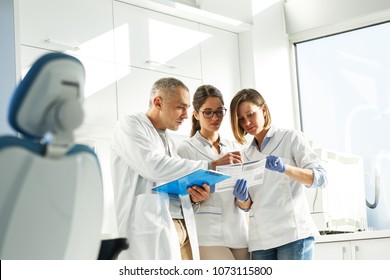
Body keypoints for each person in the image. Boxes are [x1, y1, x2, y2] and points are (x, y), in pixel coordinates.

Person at [110, 77, 241, 260]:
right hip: (150, 230)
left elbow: (174, 182)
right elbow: (153, 166)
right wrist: (211, 165)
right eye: (180, 107)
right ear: (158, 102)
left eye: (187, 108)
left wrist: (195, 197)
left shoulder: (169, 141)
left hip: (181, 228)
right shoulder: (130, 126)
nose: (186, 115)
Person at [229, 88, 327, 260]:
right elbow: (248, 204)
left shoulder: (290, 138)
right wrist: (242, 198)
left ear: (264, 110)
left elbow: (320, 178)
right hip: (261, 241)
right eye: (241, 119)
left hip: (293, 235)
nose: (247, 123)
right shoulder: (246, 155)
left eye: (250, 114)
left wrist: (285, 168)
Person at [176, 85, 249, 260]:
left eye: (219, 111)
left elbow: (245, 204)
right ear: (196, 114)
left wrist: (243, 197)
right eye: (208, 112)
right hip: (207, 234)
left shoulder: (235, 148)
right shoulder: (185, 150)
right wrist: (194, 197)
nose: (215, 117)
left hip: (239, 231)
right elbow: (178, 198)